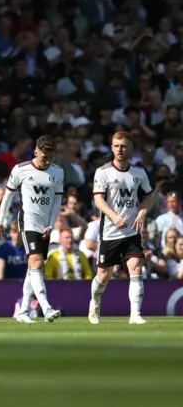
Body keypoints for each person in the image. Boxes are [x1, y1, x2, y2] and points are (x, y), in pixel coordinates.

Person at [0, 135, 64, 324]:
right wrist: (0, 221)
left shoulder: (57, 172)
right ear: (35, 152)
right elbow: (8, 197)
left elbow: (57, 201)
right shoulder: (21, 169)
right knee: (36, 263)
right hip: (28, 221)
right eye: (44, 157)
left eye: (50, 157)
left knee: (33, 269)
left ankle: (23, 311)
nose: (47, 161)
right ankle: (46, 307)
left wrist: (51, 223)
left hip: (45, 225)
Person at [90, 131, 155, 325]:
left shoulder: (139, 173)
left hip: (131, 232)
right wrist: (113, 216)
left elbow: (149, 196)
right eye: (116, 146)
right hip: (110, 232)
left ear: (131, 148)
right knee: (104, 275)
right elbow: (98, 199)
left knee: (135, 268)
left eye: (124, 146)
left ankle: (135, 315)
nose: (120, 149)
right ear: (111, 148)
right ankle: (94, 301)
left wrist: (142, 212)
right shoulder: (103, 172)